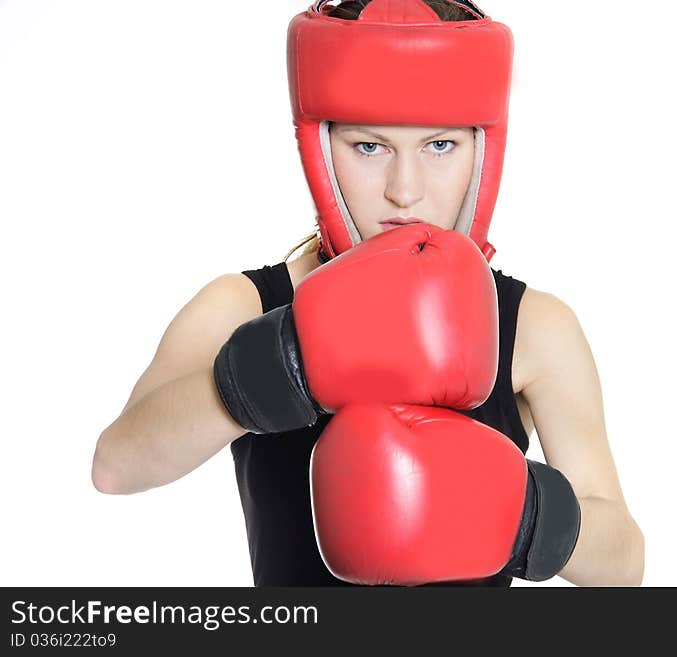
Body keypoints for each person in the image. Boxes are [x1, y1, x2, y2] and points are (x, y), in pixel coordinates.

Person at [91, 0, 645, 587]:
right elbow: (115, 466)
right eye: (369, 147)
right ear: (321, 147)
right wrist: (283, 364)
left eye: (440, 146)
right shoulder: (244, 306)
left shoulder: (534, 328)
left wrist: (527, 514)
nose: (404, 192)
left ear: (482, 152)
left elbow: (624, 565)